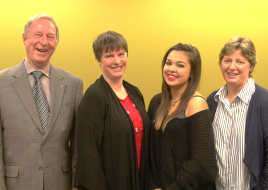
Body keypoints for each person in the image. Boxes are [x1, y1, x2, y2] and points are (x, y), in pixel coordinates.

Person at [0, 14, 83, 190]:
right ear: (24, 38)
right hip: (16, 185)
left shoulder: (73, 84)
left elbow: (78, 146)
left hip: (60, 184)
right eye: (38, 34)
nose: (44, 42)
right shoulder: (2, 82)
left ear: (56, 43)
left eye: (50, 37)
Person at [74, 31, 150, 190]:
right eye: (109, 56)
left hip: (140, 180)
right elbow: (88, 155)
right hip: (111, 183)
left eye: (121, 54)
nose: (117, 61)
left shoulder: (135, 92)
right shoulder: (94, 97)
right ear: (98, 60)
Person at [148, 43, 218, 190]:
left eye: (180, 65)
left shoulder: (196, 104)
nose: (171, 69)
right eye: (168, 63)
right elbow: (151, 152)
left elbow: (203, 164)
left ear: (192, 72)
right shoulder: (156, 102)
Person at [207, 36, 268, 189]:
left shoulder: (263, 101)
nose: (232, 67)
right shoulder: (213, 100)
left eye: (240, 61)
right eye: (227, 60)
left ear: (251, 66)